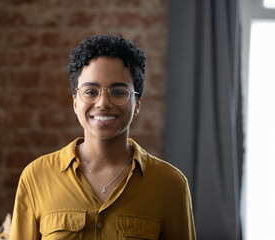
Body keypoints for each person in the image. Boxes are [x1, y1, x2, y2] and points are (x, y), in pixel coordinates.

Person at [10, 34, 196, 239]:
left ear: (138, 104)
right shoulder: (37, 177)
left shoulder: (170, 184)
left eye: (118, 92)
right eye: (90, 92)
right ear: (75, 102)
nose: (103, 103)